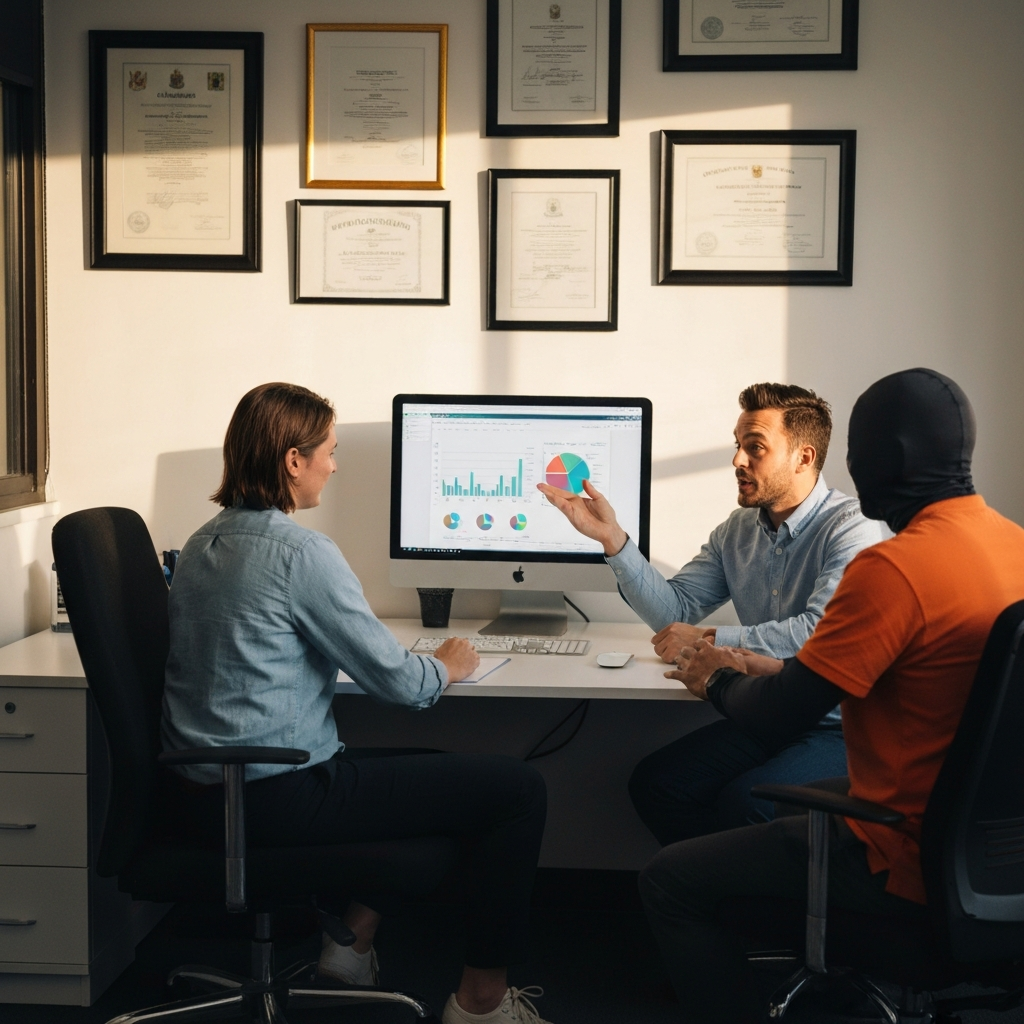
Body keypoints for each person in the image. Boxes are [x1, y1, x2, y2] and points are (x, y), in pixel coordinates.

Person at [638, 368, 1024, 1024]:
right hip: (997, 858)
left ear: (878, 463)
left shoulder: (893, 568)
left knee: (669, 881)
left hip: (894, 852)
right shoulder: (1014, 547)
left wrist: (715, 674)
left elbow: (784, 710)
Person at [161, 383, 554, 1024]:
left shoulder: (203, 543)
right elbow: (399, 683)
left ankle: (350, 947)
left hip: (207, 796)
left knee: (429, 768)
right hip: (279, 796)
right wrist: (447, 665)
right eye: (330, 452)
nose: (335, 466)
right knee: (516, 790)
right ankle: (482, 1002)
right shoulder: (300, 553)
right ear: (294, 460)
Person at [537, 383, 882, 841]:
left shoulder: (852, 529)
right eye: (738, 446)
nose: (738, 460)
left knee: (746, 803)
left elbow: (818, 632)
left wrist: (711, 641)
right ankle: (714, 899)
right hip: (768, 712)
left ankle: (746, 904)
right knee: (657, 785)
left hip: (838, 728)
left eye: (755, 447)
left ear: (804, 457)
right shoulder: (737, 531)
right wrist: (613, 541)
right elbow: (675, 611)